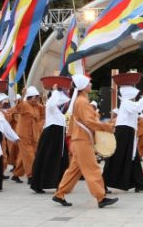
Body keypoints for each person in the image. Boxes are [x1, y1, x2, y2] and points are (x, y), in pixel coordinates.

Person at [53, 75, 118, 208]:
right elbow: (89, 121)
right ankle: (101, 197)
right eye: (88, 83)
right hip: (82, 140)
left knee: (75, 170)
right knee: (92, 168)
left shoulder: (80, 100)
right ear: (83, 86)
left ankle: (59, 194)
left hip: (79, 139)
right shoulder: (82, 101)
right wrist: (107, 127)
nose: (91, 84)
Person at [103, 85, 143, 192]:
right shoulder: (126, 102)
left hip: (127, 132)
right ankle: (102, 183)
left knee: (133, 157)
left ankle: (139, 183)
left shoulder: (127, 102)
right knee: (117, 158)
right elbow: (138, 107)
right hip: (124, 132)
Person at [31, 87, 70, 194]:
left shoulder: (57, 111)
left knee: (61, 160)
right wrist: (55, 90)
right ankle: (39, 184)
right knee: (47, 159)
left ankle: (60, 184)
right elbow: (52, 103)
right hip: (51, 136)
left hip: (58, 137)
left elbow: (67, 102)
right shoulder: (50, 106)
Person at [7, 86, 43, 184]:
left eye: (38, 97)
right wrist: (23, 95)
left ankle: (16, 174)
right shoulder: (24, 104)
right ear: (29, 97)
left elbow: (43, 116)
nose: (37, 99)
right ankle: (31, 176)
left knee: (27, 156)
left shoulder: (39, 107)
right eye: (35, 97)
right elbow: (18, 106)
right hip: (23, 134)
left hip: (35, 134)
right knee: (29, 155)